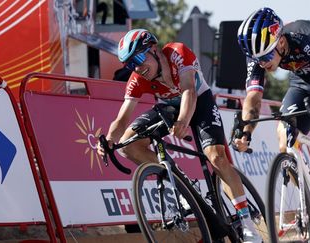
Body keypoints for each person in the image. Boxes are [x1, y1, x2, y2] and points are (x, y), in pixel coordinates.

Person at [97, 29, 262, 242]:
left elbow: (189, 91)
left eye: (138, 58)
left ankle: (246, 222)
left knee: (215, 157)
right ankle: (181, 182)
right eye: (130, 64)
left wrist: (183, 122)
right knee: (128, 145)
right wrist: (109, 139)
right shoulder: (137, 78)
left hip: (199, 100)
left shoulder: (177, 53)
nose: (137, 68)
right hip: (169, 107)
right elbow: (122, 119)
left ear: (153, 50)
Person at [234, 7, 310, 233]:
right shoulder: (257, 53)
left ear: (280, 43)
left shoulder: (305, 36)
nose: (262, 63)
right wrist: (246, 131)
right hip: (302, 82)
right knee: (285, 138)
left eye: (266, 57)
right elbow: (253, 98)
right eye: (257, 59)